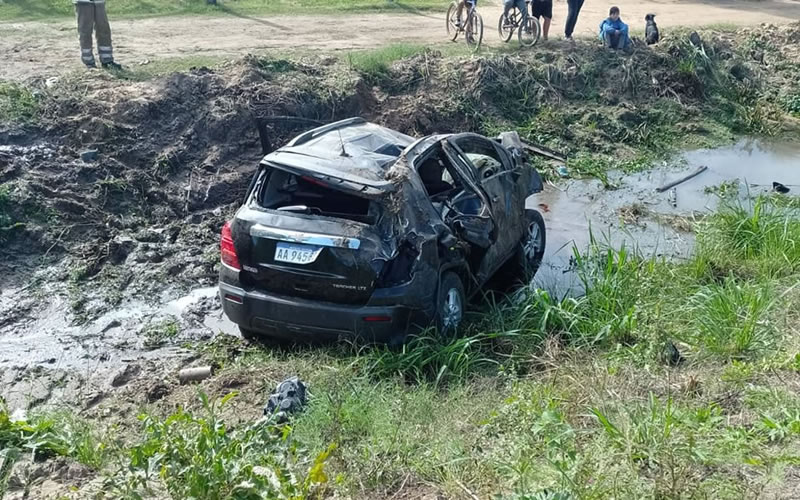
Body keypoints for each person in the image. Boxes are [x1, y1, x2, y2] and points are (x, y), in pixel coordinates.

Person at [74, 0, 122, 69]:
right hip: (83, 2)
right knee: (85, 31)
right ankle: (88, 62)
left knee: (103, 28)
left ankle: (107, 60)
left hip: (99, 2)